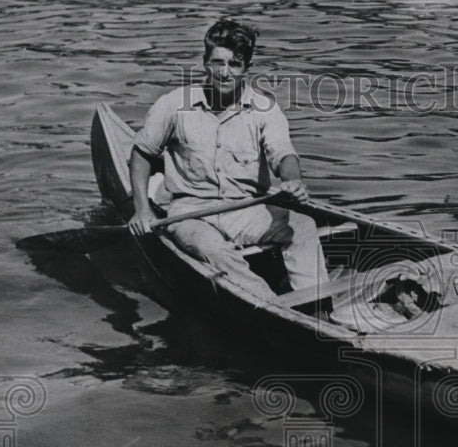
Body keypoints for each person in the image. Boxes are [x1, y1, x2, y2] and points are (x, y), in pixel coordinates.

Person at [127, 19, 329, 298]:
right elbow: (141, 154)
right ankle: (272, 307)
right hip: (191, 213)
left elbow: (283, 153)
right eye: (217, 63)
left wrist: (293, 182)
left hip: (246, 208)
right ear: (204, 63)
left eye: (234, 64)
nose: (224, 73)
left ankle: (315, 304)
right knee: (214, 250)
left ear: (246, 68)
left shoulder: (264, 109)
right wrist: (142, 210)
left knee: (303, 226)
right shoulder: (173, 104)